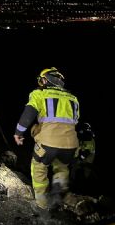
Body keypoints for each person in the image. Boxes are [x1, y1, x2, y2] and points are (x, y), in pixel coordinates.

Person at [13, 67, 80, 210]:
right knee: (61, 167)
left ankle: (42, 204)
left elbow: (28, 113)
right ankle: (59, 194)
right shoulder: (73, 99)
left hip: (47, 144)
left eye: (41, 80)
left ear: (45, 80)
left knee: (38, 169)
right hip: (71, 146)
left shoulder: (39, 94)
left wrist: (18, 133)